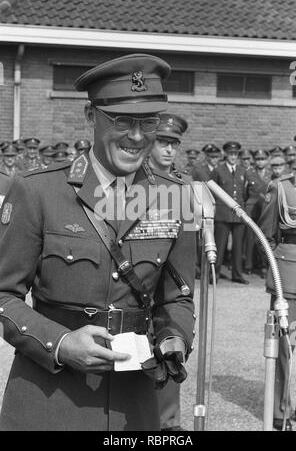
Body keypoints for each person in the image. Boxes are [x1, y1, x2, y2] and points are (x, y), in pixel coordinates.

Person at [0, 54, 196, 431]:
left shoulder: (177, 198)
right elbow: (4, 294)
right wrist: (59, 342)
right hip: (49, 399)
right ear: (91, 116)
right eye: (122, 120)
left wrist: (174, 337)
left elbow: (178, 297)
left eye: (148, 121)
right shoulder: (38, 192)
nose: (137, 136)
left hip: (133, 405)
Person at [147, 112, 188, 432]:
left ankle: (167, 424)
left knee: (169, 349)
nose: (169, 150)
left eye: (174, 144)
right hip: (135, 281)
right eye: (163, 142)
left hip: (167, 281)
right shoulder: (129, 185)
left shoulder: (181, 189)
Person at [258, 169, 296, 431]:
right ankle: (281, 411)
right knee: (284, 346)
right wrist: (277, 268)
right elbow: (264, 236)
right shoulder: (281, 189)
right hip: (289, 275)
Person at [211, 141, 248, 283]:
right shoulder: (218, 171)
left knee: (238, 247)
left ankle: (237, 275)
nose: (233, 156)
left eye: (236, 154)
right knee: (219, 246)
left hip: (238, 214)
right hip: (222, 213)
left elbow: (244, 193)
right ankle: (214, 275)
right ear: (225, 154)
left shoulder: (242, 171)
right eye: (230, 154)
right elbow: (212, 190)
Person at [244, 149, 271, 276]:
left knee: (265, 237)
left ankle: (265, 265)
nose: (260, 162)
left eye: (263, 159)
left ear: (267, 160)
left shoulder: (271, 174)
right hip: (252, 208)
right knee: (250, 238)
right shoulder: (249, 173)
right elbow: (244, 193)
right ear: (254, 161)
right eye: (258, 160)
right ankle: (248, 265)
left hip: (266, 209)